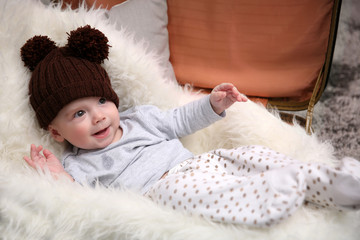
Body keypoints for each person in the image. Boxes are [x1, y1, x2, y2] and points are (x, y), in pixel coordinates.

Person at [22, 25, 360, 228]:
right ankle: (273, 194)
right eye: (78, 114)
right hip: (163, 191)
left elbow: (180, 120)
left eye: (101, 101)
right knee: (207, 195)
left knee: (249, 154)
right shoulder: (78, 163)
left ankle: (326, 181)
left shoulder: (139, 119)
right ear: (56, 133)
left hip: (200, 163)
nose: (98, 116)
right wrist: (56, 175)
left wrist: (213, 104)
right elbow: (79, 202)